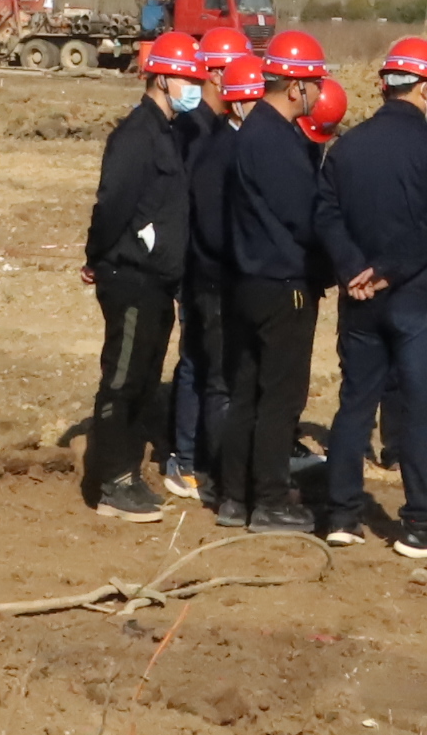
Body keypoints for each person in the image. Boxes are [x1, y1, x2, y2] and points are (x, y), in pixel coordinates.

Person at [318, 38, 427, 557]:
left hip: (358, 299)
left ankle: (342, 515)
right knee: (419, 411)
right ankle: (421, 523)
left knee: (355, 404)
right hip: (415, 301)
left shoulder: (346, 147)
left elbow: (326, 214)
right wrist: (388, 272)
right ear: (425, 88)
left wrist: (353, 269)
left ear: (386, 85)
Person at [83, 34, 208, 519]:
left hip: (158, 282)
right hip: (131, 278)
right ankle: (111, 481)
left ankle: (128, 474)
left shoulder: (170, 133)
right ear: (161, 78)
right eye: (186, 78)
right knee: (123, 379)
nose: (193, 87)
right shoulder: (136, 135)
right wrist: (96, 256)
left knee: (144, 379)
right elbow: (112, 204)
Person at [212, 48, 333, 535]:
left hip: (247, 282)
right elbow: (304, 217)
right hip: (284, 285)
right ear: (296, 86)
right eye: (316, 82)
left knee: (246, 391)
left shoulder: (251, 131)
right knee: (280, 397)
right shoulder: (278, 141)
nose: (320, 92)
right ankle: (269, 500)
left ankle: (234, 496)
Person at [173, 46, 263, 503]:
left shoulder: (221, 140)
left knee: (208, 367)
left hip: (210, 273)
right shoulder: (213, 145)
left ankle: (201, 458)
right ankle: (197, 462)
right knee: (212, 373)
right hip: (212, 278)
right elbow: (210, 223)